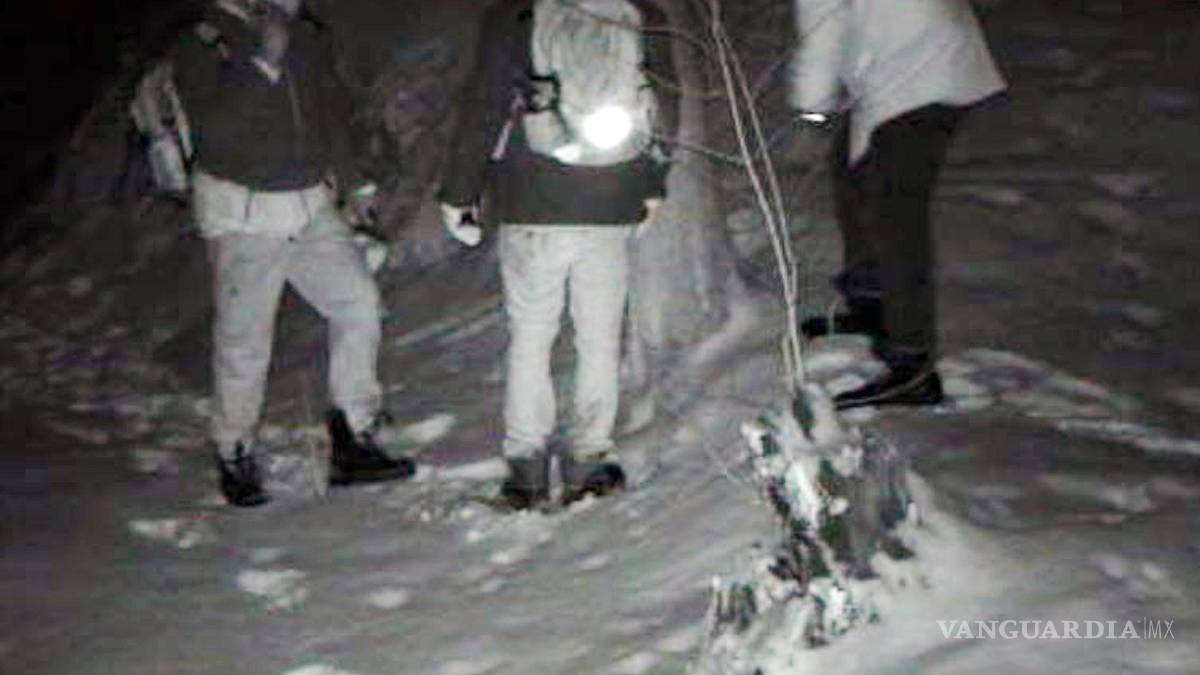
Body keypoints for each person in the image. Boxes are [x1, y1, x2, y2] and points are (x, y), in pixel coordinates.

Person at [171, 0, 415, 507]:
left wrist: (354, 185)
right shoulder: (203, 43)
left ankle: (354, 432)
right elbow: (215, 135)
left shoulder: (304, 35)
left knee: (358, 303)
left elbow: (327, 117)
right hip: (245, 216)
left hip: (310, 208)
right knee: (245, 339)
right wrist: (264, 65)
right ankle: (234, 448)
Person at [438, 0, 677, 509]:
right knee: (599, 339)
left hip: (533, 202)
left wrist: (458, 192)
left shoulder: (517, 15)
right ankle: (588, 459)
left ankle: (526, 467)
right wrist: (652, 183)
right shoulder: (638, 11)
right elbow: (664, 107)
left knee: (530, 336)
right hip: (611, 200)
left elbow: (484, 106)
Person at [789, 0, 1006, 410]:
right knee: (853, 176)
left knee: (894, 214)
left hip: (924, 73)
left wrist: (811, 108)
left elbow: (823, 34)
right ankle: (872, 304)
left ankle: (912, 364)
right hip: (918, 56)